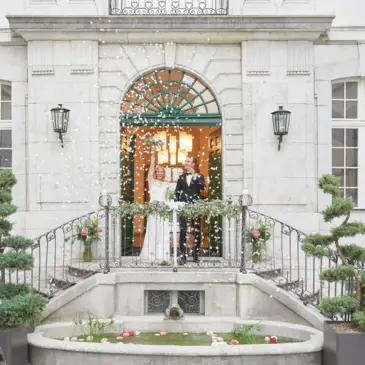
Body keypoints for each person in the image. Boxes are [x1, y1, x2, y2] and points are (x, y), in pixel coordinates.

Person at [174, 156, 206, 264]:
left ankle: (196, 255)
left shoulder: (200, 176)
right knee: (183, 231)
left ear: (193, 164)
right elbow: (176, 192)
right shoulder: (181, 177)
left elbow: (203, 187)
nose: (186, 163)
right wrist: (176, 203)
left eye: (188, 161)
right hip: (183, 206)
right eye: (185, 161)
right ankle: (183, 256)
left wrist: (194, 175)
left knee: (197, 230)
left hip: (196, 206)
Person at [140, 151, 170, 263]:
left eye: (162, 172)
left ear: (164, 173)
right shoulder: (151, 182)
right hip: (153, 210)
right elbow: (150, 171)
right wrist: (153, 157)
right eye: (158, 171)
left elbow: (166, 199)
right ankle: (151, 255)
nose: (160, 173)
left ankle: (162, 256)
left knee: (163, 233)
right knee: (152, 231)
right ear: (156, 172)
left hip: (162, 211)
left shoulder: (166, 184)